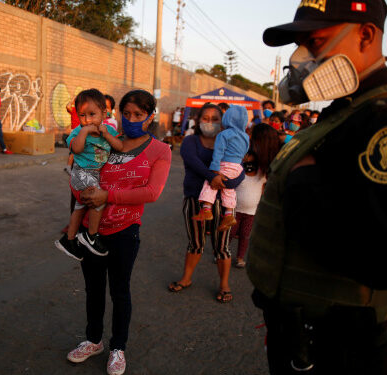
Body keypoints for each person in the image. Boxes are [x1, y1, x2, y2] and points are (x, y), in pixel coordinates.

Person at [248, 1, 387, 374]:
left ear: (366, 34)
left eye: (315, 42)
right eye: (300, 45)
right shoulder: (349, 109)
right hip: (299, 335)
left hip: (336, 349)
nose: (302, 59)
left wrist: (303, 179)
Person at [66, 90, 171, 375]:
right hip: (92, 231)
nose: (132, 119)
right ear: (119, 114)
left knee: (120, 290)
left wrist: (106, 196)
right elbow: (78, 173)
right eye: (127, 113)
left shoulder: (160, 150)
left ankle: (118, 347)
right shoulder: (103, 141)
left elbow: (151, 192)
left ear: (150, 118)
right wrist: (77, 214)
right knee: (93, 289)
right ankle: (93, 340)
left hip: (125, 231)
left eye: (139, 115)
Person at [167, 103, 245, 303]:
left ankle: (224, 284)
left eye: (215, 119)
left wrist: (233, 181)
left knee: (222, 245)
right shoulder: (190, 141)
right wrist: (214, 178)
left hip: (224, 202)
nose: (210, 122)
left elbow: (239, 167)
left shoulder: (230, 139)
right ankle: (186, 278)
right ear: (198, 120)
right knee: (196, 242)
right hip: (196, 198)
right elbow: (193, 162)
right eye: (205, 118)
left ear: (223, 121)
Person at [55, 89, 123, 260]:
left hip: (95, 174)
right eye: (82, 115)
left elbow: (119, 147)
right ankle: (91, 236)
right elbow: (76, 149)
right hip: (81, 173)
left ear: (104, 113)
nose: (87, 120)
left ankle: (69, 240)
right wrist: (84, 132)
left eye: (92, 114)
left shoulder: (108, 130)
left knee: (79, 207)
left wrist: (106, 134)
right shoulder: (78, 132)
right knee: (98, 200)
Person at [191, 105, 250, 231]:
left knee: (210, 184)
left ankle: (206, 209)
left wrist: (214, 168)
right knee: (229, 190)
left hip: (225, 164)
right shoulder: (245, 136)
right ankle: (229, 214)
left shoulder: (224, 134)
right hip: (237, 167)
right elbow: (244, 152)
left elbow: (218, 152)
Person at [230, 124, 280, 268]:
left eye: (252, 136)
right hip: (234, 206)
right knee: (230, 232)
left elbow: (265, 188)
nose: (249, 137)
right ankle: (222, 252)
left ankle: (240, 257)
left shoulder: (268, 163)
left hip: (251, 211)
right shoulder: (244, 155)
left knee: (245, 235)